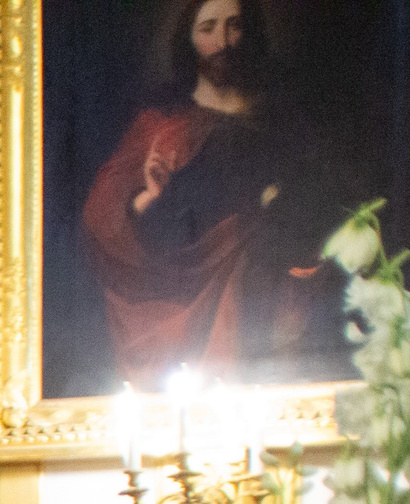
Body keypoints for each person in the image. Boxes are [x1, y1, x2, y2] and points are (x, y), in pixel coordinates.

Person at [80, 0, 344, 389]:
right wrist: (147, 197)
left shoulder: (282, 120)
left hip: (273, 293)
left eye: (234, 26)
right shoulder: (161, 126)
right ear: (189, 39)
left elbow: (320, 207)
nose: (224, 42)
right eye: (208, 29)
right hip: (180, 300)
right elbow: (99, 218)